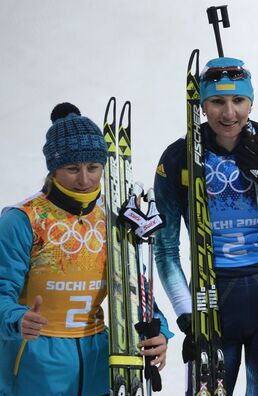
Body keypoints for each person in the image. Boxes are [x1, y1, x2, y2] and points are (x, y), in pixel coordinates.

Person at [153, 56, 258, 395]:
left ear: (251, 102)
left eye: (238, 100)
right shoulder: (179, 158)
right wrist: (185, 315)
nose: (229, 113)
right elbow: (165, 250)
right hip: (211, 298)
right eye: (217, 101)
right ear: (203, 105)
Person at [0, 103, 172, 395]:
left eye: (93, 168)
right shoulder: (22, 219)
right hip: (34, 365)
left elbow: (136, 289)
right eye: (72, 168)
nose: (84, 179)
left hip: (99, 364)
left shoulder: (115, 217)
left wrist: (160, 332)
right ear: (53, 169)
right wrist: (17, 318)